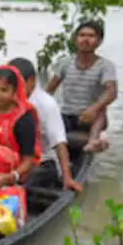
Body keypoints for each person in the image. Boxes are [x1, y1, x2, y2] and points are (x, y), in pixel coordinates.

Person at [10, 57, 82, 194]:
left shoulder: (46, 104)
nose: (12, 90)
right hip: (14, 158)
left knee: (20, 187)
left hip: (43, 161)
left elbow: (59, 143)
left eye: (17, 85)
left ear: (31, 82)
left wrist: (67, 177)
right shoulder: (6, 99)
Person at [46, 19, 117, 153]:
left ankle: (93, 140)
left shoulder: (105, 66)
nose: (85, 39)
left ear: (99, 41)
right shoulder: (64, 63)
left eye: (91, 36)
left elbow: (111, 93)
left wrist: (93, 109)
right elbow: (49, 91)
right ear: (75, 39)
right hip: (67, 114)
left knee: (101, 109)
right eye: (82, 35)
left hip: (91, 118)